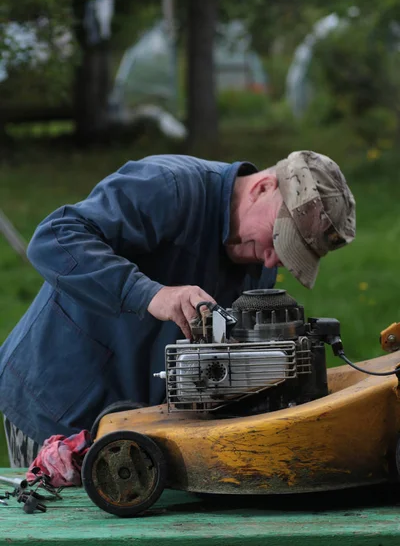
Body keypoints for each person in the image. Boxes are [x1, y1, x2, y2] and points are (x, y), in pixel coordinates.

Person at [0, 150, 355, 466]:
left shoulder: (256, 265)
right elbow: (54, 237)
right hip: (55, 407)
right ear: (262, 187)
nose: (271, 260)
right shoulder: (169, 186)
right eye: (278, 240)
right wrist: (151, 294)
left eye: (289, 257)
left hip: (137, 432)